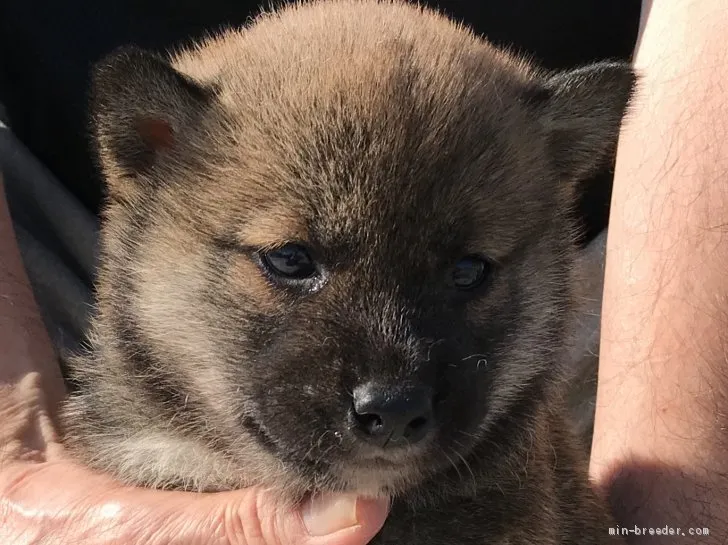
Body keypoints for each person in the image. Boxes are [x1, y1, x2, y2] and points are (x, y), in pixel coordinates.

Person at [1, 0, 725, 543]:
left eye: (469, 270)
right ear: (152, 148)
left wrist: (675, 518)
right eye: (291, 263)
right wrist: (14, 457)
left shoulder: (495, 496)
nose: (393, 384)